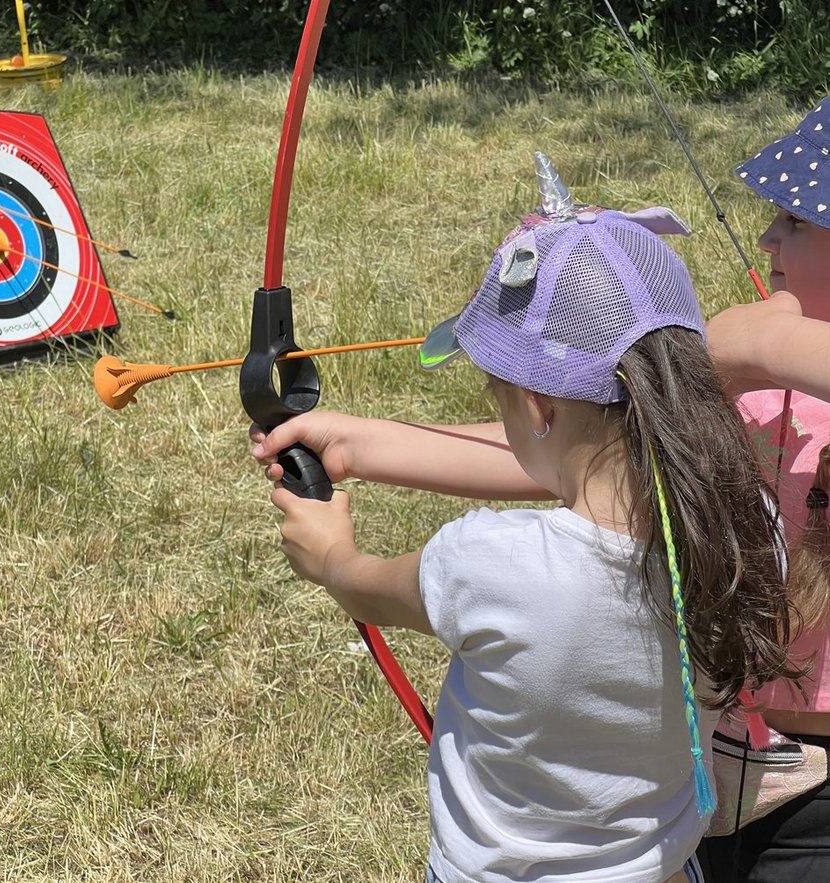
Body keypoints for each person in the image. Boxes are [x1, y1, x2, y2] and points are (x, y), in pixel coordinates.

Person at [263, 159, 799, 883]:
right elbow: (604, 469)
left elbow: (361, 584)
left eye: (500, 398)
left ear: (541, 407)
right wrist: (360, 442)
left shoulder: (491, 564)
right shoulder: (751, 527)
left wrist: (327, 550)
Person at [698, 99, 830, 883]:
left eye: (797, 221)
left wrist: (760, 339)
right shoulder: (754, 394)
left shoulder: (762, 358)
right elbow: (583, 445)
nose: (766, 239)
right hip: (721, 761)